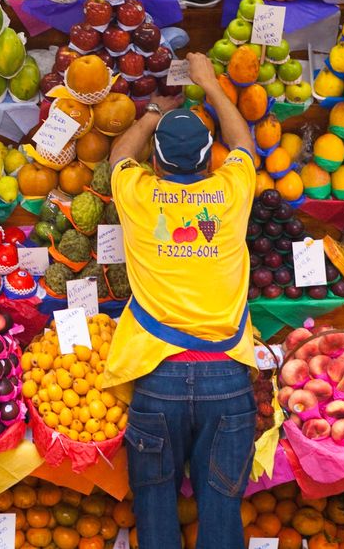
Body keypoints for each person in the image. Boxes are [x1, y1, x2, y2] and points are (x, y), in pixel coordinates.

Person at [102, 53, 258, 549]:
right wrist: (211, 85)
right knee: (220, 512)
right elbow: (245, 144)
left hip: (158, 375)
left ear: (155, 163)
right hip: (228, 378)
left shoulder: (138, 193)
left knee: (154, 511)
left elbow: (115, 157)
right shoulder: (234, 191)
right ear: (211, 158)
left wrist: (152, 113)